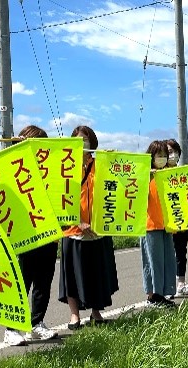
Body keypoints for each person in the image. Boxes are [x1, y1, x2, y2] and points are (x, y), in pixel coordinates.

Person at [3, 125, 59, 346]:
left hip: (49, 233)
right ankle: (11, 328)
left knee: (43, 282)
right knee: (22, 282)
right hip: (25, 234)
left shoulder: (52, 169)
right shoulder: (14, 168)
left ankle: (36, 324)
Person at [59, 125, 119, 329]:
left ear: (92, 142)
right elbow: (61, 198)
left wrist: (114, 162)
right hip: (73, 230)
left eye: (85, 139)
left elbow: (117, 188)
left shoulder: (100, 164)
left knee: (97, 273)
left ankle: (96, 312)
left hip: (98, 229)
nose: (82, 142)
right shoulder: (65, 167)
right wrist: (78, 222)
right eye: (78, 139)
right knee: (72, 275)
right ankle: (74, 316)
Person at [141, 140, 176, 307]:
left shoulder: (168, 174)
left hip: (166, 225)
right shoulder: (144, 174)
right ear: (151, 156)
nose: (162, 158)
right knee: (152, 262)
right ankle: (153, 296)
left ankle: (161, 295)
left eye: (164, 155)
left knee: (166, 260)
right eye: (158, 155)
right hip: (150, 225)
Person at [166, 138, 188, 297]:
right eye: (168, 152)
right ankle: (165, 288)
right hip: (164, 223)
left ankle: (180, 285)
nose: (171, 155)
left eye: (174, 152)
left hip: (182, 220)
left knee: (181, 253)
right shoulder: (157, 173)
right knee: (166, 255)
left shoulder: (182, 173)